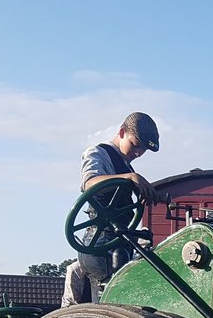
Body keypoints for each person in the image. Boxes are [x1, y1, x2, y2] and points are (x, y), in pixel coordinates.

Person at [67, 112, 160, 305]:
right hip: (100, 245)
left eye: (143, 150)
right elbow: (89, 183)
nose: (138, 153)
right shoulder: (97, 153)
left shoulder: (127, 167)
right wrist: (128, 178)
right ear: (122, 132)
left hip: (121, 240)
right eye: (135, 145)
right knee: (110, 298)